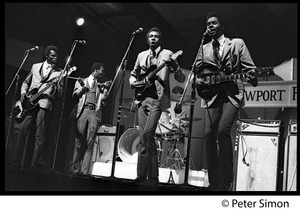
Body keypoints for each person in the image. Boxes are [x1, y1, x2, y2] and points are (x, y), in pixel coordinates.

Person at [195, 12, 258, 191]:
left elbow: (250, 68)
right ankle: (213, 181)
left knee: (223, 131)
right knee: (208, 134)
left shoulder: (237, 43)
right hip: (212, 94)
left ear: (222, 26)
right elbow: (197, 73)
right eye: (208, 24)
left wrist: (253, 76)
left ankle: (226, 181)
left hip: (232, 93)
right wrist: (198, 81)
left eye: (214, 23)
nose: (210, 26)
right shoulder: (204, 48)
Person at [129, 27, 186, 186]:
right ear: (147, 39)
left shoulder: (167, 54)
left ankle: (153, 176)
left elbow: (181, 78)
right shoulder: (141, 55)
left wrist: (174, 65)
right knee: (142, 137)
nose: (153, 38)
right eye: (151, 36)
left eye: (156, 36)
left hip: (157, 99)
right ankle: (141, 175)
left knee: (148, 133)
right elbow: (134, 74)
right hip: (142, 99)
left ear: (160, 39)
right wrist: (133, 82)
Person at [12, 45, 64, 171]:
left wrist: (57, 87)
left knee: (40, 135)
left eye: (56, 56)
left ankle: (35, 164)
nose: (55, 58)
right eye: (52, 56)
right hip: (30, 102)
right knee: (23, 131)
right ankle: (16, 161)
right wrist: (23, 94)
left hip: (45, 103)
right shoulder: (35, 66)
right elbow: (25, 82)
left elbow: (60, 93)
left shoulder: (60, 72)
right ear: (47, 56)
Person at [71, 62, 112, 175]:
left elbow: (103, 100)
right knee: (78, 142)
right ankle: (75, 169)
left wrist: (105, 90)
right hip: (83, 110)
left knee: (90, 143)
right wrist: (82, 90)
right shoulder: (81, 81)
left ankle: (84, 171)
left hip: (94, 112)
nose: (103, 73)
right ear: (95, 70)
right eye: (101, 71)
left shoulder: (100, 85)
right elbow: (74, 95)